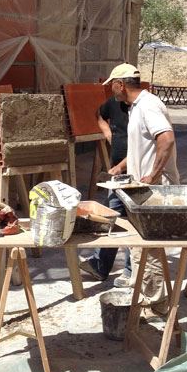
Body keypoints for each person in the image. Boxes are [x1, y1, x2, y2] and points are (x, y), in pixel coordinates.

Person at [103, 62, 180, 316]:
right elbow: (143, 145)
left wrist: (153, 176)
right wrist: (123, 166)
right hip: (142, 189)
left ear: (120, 85)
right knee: (139, 248)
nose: (112, 92)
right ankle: (145, 296)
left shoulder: (148, 105)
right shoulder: (137, 107)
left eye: (112, 87)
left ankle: (156, 305)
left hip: (155, 190)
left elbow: (166, 139)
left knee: (151, 250)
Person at [78, 95, 132, 283]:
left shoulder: (142, 108)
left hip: (137, 173)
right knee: (112, 215)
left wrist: (122, 166)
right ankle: (99, 265)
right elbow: (99, 115)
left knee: (133, 221)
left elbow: (143, 148)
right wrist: (110, 136)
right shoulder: (114, 102)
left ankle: (131, 270)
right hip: (118, 173)